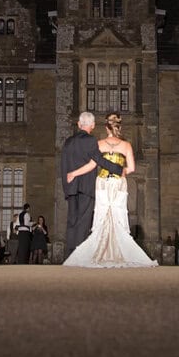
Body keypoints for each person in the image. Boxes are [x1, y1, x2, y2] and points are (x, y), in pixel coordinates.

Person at [63, 112, 157, 268]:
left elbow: (91, 166)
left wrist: (73, 173)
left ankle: (100, 253)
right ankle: (118, 252)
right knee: (118, 218)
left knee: (101, 218)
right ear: (118, 127)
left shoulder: (99, 144)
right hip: (118, 184)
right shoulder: (126, 145)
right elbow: (132, 168)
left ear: (106, 128)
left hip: (102, 184)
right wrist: (120, 171)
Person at [59, 111, 125, 254]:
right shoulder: (90, 141)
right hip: (86, 186)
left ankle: (69, 254)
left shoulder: (68, 141)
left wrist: (66, 183)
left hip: (70, 186)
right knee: (83, 222)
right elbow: (99, 160)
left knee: (71, 221)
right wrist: (118, 169)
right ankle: (80, 255)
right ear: (93, 125)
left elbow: (63, 164)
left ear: (78, 124)